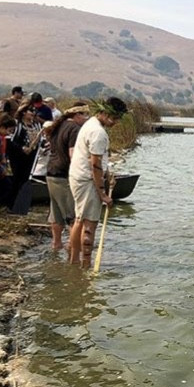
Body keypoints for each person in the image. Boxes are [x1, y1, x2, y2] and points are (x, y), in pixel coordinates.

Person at [68, 97, 128, 268]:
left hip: (79, 176)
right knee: (88, 223)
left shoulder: (91, 124)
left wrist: (107, 176)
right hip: (86, 180)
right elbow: (94, 164)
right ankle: (84, 264)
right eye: (115, 119)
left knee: (80, 218)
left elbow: (97, 163)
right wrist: (103, 193)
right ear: (106, 113)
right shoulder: (98, 133)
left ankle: (75, 262)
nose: (116, 123)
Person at [45, 103, 90, 250]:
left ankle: (56, 244)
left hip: (51, 172)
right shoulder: (74, 129)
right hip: (64, 175)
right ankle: (73, 248)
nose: (86, 118)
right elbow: (73, 155)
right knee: (72, 215)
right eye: (85, 115)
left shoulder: (59, 125)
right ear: (77, 115)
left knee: (56, 212)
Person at [6, 104, 42, 211]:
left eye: (34, 111)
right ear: (23, 112)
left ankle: (22, 203)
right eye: (30, 111)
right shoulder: (18, 125)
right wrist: (22, 148)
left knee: (26, 178)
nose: (32, 113)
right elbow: (11, 141)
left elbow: (39, 140)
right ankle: (12, 203)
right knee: (17, 179)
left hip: (31, 156)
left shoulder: (37, 125)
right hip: (18, 157)